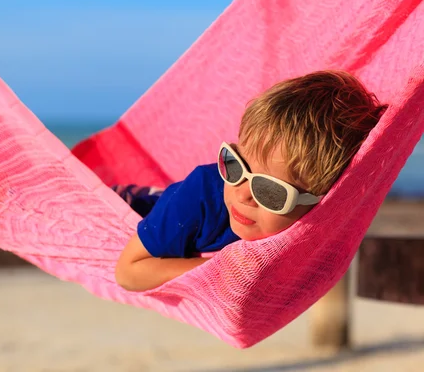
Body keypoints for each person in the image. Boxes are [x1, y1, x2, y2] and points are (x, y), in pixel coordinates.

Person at [114, 70, 387, 292]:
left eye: (269, 189)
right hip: (131, 207)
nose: (242, 193)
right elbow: (128, 271)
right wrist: (219, 272)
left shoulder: (310, 225)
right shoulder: (200, 197)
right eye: (235, 164)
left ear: (321, 201)